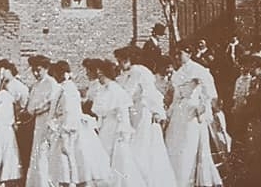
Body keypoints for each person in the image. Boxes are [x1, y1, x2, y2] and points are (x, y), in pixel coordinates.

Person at [114, 46, 177, 187]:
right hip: (131, 112)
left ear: (130, 59)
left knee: (140, 145)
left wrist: (157, 111)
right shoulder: (125, 74)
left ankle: (144, 179)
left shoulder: (139, 71)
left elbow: (144, 92)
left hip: (141, 112)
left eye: (122, 60)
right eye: (118, 61)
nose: (119, 64)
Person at [47, 60, 111, 187]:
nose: (57, 76)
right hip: (64, 129)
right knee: (69, 167)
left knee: (71, 165)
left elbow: (69, 112)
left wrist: (65, 135)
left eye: (60, 73)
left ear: (66, 74)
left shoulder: (68, 90)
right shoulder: (64, 88)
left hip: (70, 132)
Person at [166, 45, 222, 187]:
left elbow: (209, 92)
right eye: (176, 54)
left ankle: (187, 180)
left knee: (187, 146)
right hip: (179, 113)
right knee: (174, 144)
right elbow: (175, 97)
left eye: (181, 53)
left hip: (192, 112)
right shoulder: (177, 73)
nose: (177, 57)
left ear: (189, 53)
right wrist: (170, 112)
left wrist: (203, 106)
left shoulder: (199, 70)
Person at [91, 59, 147, 187]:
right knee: (104, 154)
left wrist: (123, 131)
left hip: (115, 127)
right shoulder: (103, 89)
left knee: (117, 157)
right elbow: (99, 109)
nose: (99, 78)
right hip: (106, 126)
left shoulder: (116, 90)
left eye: (101, 75)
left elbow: (122, 111)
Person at [236, 55, 261, 187]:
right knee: (252, 147)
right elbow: (248, 99)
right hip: (253, 118)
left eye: (256, 66)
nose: (253, 69)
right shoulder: (253, 82)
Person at [25, 55, 61, 187]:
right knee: (37, 154)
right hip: (38, 124)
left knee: (45, 154)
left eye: (38, 70)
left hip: (49, 122)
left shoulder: (52, 83)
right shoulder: (36, 86)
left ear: (46, 68)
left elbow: (51, 103)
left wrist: (38, 109)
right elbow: (30, 107)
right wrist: (34, 110)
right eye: (33, 70)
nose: (35, 73)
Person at [0, 59, 30, 184]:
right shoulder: (2, 87)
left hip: (18, 125)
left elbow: (24, 107)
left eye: (2, 70)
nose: (0, 74)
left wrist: (17, 119)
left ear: (9, 70)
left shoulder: (19, 87)